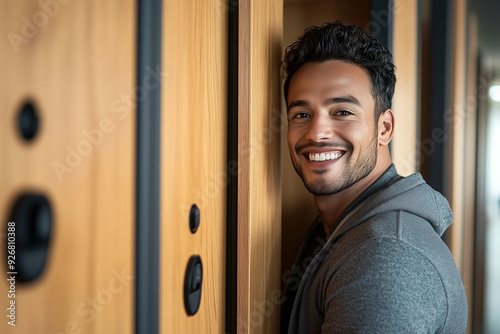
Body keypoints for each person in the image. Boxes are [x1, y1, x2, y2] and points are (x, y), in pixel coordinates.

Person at [280, 21, 468, 333]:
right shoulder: (341, 228)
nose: (316, 133)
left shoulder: (384, 258)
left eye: (342, 112)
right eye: (301, 114)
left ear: (384, 128)